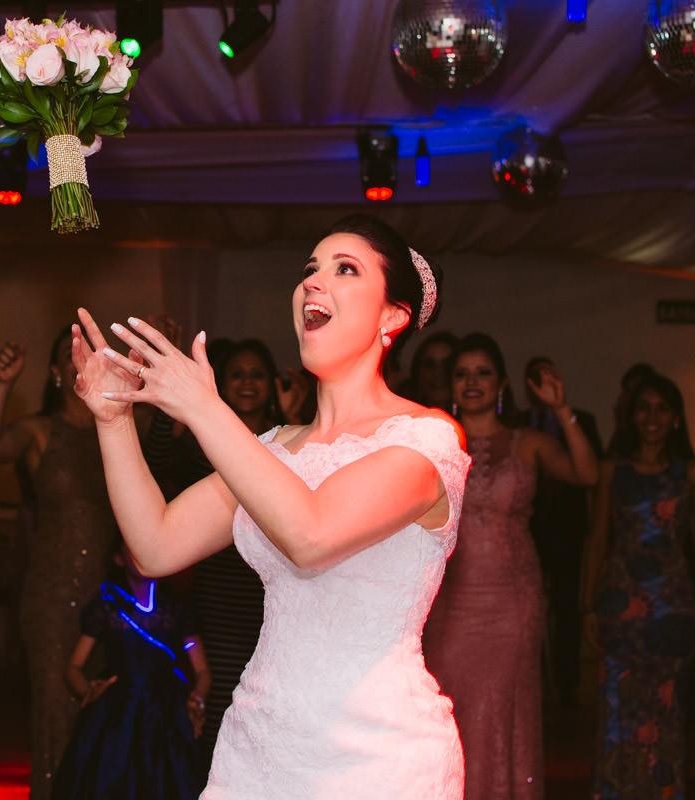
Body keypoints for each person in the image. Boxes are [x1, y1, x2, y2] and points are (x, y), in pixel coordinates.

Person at [71, 214, 472, 798]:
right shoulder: (268, 450)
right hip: (260, 744)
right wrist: (113, 420)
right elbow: (155, 546)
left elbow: (311, 534)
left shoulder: (426, 440)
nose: (313, 281)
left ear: (393, 317)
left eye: (345, 269)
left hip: (379, 756)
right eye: (309, 269)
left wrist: (205, 410)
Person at [423, 334, 598, 800]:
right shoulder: (434, 440)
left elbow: (588, 474)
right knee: (451, 707)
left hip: (513, 604)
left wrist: (562, 410)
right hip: (451, 603)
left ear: (500, 382)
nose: (472, 382)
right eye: (463, 374)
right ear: (452, 385)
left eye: (483, 372)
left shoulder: (528, 442)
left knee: (503, 710)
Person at [142, 336, 307, 765]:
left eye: (256, 375)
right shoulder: (203, 439)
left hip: (269, 585)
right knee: (217, 690)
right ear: (220, 383)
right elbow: (156, 458)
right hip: (216, 583)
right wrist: (170, 403)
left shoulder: (290, 439)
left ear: (272, 384)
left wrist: (295, 416)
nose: (247, 383)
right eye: (236, 374)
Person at [0, 327, 119, 800]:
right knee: (58, 717)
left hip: (109, 598)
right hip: (51, 597)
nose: (80, 361)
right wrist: (2, 385)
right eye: (69, 356)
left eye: (88, 353)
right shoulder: (40, 431)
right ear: (57, 373)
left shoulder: (118, 430)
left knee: (104, 719)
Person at [583, 373, 695, 800]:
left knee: (667, 714)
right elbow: (598, 538)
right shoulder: (613, 470)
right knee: (617, 709)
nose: (652, 417)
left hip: (672, 607)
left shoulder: (691, 472)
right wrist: (589, 606)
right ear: (631, 416)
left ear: (674, 418)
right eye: (644, 408)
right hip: (621, 603)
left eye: (661, 408)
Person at [53, 545, 210, 800]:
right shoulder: (108, 607)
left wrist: (197, 701)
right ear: (118, 558)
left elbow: (201, 670)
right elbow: (73, 667)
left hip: (167, 713)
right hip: (116, 714)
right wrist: (88, 691)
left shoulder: (177, 609)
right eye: (133, 549)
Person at [522, 356, 603, 706]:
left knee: (567, 607)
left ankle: (568, 682)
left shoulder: (582, 420)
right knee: (532, 609)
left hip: (568, 529)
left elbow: (592, 472)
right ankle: (535, 680)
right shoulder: (520, 424)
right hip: (530, 530)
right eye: (534, 377)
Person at [400, 330, 458, 411]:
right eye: (430, 365)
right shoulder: (402, 419)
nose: (438, 372)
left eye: (447, 365)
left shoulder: (472, 420)